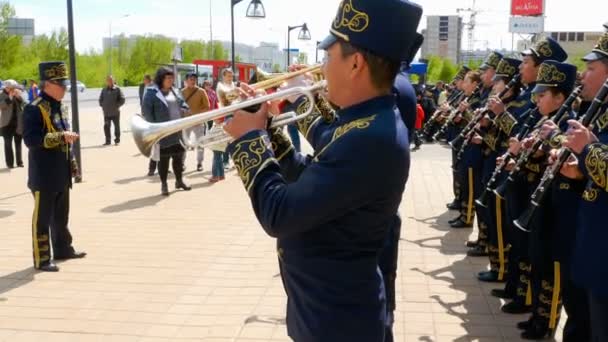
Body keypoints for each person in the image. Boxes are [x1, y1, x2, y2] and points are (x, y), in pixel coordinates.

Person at [222, 0, 422, 340]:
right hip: (325, 312)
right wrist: (269, 129)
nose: (321, 68)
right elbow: (314, 180)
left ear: (356, 63)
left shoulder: (370, 137)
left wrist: (248, 140)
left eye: (327, 58)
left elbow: (280, 214)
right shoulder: (363, 122)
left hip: (337, 322)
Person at [561, 31, 608, 342]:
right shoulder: (601, 114)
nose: (584, 74)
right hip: (594, 246)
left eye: (591, 68)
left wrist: (588, 151)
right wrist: (580, 171)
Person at [22, 61, 86, 272]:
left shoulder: (59, 107)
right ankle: (42, 259)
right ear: (48, 84)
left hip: (61, 171)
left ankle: (63, 249)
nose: (65, 88)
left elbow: (65, 141)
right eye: (61, 84)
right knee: (42, 219)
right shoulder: (34, 108)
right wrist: (60, 136)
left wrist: (72, 164)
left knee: (61, 216)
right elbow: (31, 140)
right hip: (44, 174)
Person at [142, 67, 191, 196]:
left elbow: (183, 104)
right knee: (163, 160)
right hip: (162, 133)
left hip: (177, 132)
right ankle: (164, 185)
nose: (171, 80)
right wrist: (154, 129)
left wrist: (185, 109)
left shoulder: (175, 91)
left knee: (179, 159)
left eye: (172, 78)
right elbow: (147, 113)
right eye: (167, 78)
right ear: (161, 79)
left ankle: (179, 181)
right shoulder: (151, 93)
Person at [181, 73, 211, 172]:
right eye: (190, 79)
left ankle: (199, 163)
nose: (192, 81)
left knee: (200, 143)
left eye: (194, 79)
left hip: (199, 122)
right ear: (186, 81)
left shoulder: (201, 91)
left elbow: (207, 107)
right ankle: (181, 163)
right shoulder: (181, 92)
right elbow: (179, 107)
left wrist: (195, 113)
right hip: (186, 123)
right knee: (184, 144)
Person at [0, 80, 25, 168]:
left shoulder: (16, 94)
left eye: (14, 88)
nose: (13, 89)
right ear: (7, 87)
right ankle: (10, 163)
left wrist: (18, 96)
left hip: (18, 123)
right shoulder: (1, 95)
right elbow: (1, 106)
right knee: (8, 144)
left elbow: (23, 104)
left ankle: (19, 162)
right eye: (11, 88)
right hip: (6, 124)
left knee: (18, 143)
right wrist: (10, 97)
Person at [99, 75, 125, 145]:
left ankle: (117, 140)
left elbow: (122, 99)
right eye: (108, 80)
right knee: (106, 127)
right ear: (106, 81)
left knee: (116, 127)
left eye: (111, 80)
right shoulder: (104, 90)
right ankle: (108, 141)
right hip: (106, 113)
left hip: (115, 112)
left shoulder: (117, 89)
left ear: (113, 80)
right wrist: (103, 105)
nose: (109, 81)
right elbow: (100, 99)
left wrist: (117, 105)